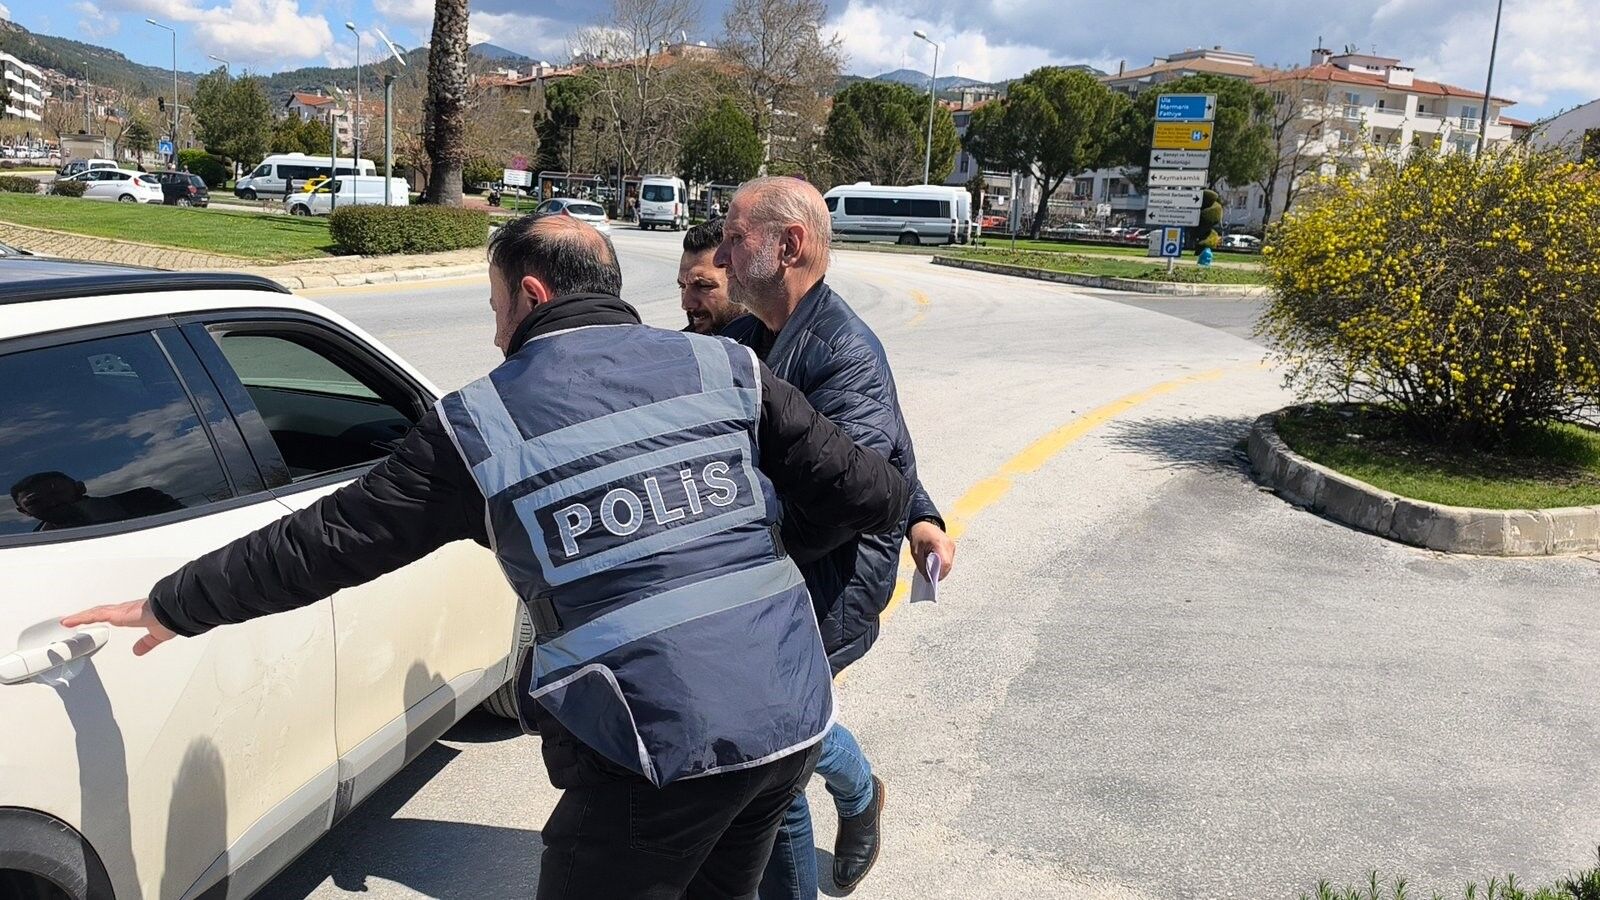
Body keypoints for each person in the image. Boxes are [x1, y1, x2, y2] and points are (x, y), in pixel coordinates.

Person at [63, 214, 914, 900]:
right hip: (789, 711)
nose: (494, 325)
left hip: (653, 750)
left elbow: (329, 542)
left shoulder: (482, 424)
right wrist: (750, 538)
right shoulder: (727, 366)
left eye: (496, 303)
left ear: (532, 294)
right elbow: (874, 492)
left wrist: (174, 603)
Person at [714, 177, 957, 898]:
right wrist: (925, 511)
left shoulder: (842, 348)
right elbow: (889, 447)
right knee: (787, 739)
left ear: (788, 245)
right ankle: (861, 794)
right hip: (769, 576)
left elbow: (846, 494)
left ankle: (844, 815)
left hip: (823, 581)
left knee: (774, 763)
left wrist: (730, 559)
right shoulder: (750, 334)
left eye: (734, 238)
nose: (721, 257)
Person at [679, 219, 743, 335]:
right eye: (682, 286)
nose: (686, 304)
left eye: (704, 286)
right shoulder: (680, 343)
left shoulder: (771, 342)